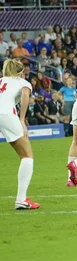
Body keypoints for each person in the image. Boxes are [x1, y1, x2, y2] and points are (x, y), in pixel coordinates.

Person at [0, 59, 39, 210]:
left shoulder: (1, 81)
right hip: (7, 115)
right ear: (21, 72)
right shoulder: (23, 82)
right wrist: (22, 120)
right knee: (27, 155)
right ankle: (21, 199)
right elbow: (24, 96)